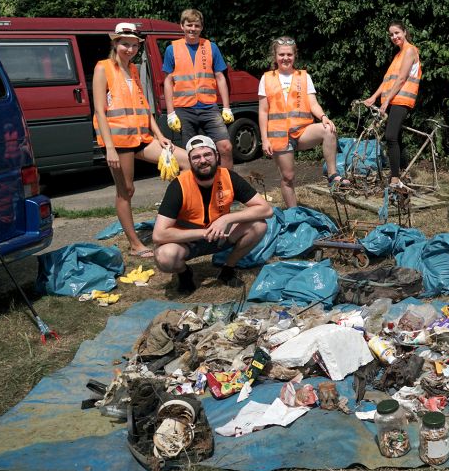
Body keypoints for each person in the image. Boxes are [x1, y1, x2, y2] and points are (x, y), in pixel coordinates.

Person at [93, 23, 189, 258]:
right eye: (125, 44)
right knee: (126, 190)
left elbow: (144, 108)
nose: (130, 49)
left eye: (134, 45)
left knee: (186, 161)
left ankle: (181, 219)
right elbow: (99, 110)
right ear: (115, 43)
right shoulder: (103, 68)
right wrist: (110, 149)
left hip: (142, 136)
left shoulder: (134, 69)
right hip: (119, 141)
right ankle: (136, 244)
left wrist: (160, 134)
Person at [152, 135, 273, 293]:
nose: (202, 160)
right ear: (190, 161)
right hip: (188, 241)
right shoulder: (178, 186)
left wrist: (227, 218)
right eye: (196, 157)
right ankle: (184, 273)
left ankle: (228, 268)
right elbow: (159, 235)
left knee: (259, 225)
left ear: (216, 156)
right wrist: (203, 233)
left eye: (207, 154)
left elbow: (266, 209)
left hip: (221, 235)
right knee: (164, 257)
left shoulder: (229, 177)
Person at [259, 36, 345, 207]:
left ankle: (332, 175)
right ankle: (294, 212)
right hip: (279, 136)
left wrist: (323, 117)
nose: (285, 58)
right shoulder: (266, 78)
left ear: (294, 55)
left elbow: (313, 103)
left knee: (328, 129)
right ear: (275, 56)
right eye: (281, 54)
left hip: (302, 131)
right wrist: (265, 139)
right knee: (288, 177)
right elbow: (263, 111)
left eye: (289, 55)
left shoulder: (304, 77)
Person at [163, 8, 235, 169]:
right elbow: (168, 81)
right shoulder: (171, 49)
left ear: (201, 27)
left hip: (209, 107)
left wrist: (227, 107)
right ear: (182, 26)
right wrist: (170, 113)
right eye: (189, 25)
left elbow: (220, 77)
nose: (193, 29)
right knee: (192, 153)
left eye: (196, 25)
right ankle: (197, 190)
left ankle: (229, 186)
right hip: (184, 108)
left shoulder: (211, 47)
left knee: (225, 147)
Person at [362, 21, 422, 190]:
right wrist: (374, 97)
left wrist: (387, 99)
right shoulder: (398, 55)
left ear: (404, 31)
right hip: (393, 99)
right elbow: (387, 81)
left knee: (390, 136)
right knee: (397, 137)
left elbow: (402, 79)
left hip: (401, 100)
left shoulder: (410, 51)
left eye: (397, 33)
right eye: (391, 34)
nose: (394, 37)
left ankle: (395, 179)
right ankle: (402, 171)